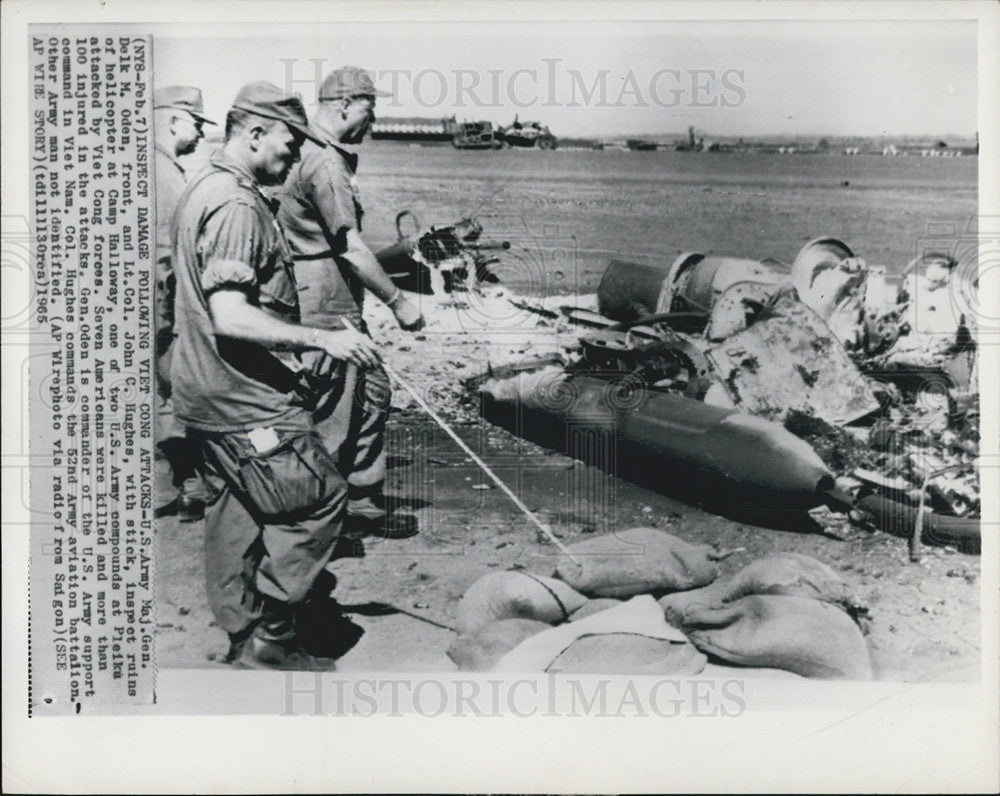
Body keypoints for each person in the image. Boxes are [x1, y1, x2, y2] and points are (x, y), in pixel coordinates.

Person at [170, 81, 379, 670]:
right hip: (245, 401)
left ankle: (242, 631)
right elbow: (231, 315)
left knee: (236, 507)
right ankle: (274, 638)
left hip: (204, 392)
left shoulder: (202, 186)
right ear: (254, 133)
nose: (294, 155)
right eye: (289, 142)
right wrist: (323, 339)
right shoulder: (236, 204)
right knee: (319, 499)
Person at [277, 66, 424, 539]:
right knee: (334, 409)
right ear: (345, 105)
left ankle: (359, 500)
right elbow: (351, 248)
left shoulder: (314, 152)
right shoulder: (323, 162)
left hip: (325, 291)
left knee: (371, 392)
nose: (374, 119)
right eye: (369, 106)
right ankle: (319, 525)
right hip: (323, 297)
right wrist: (399, 301)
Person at [153, 86, 215, 522]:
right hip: (160, 306)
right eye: (195, 122)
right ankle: (187, 489)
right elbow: (165, 255)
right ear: (174, 120)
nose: (198, 132)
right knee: (180, 392)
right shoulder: (163, 172)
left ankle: (180, 486)